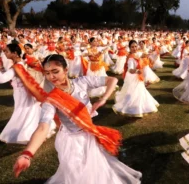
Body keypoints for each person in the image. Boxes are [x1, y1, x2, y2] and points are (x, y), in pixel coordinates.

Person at [13, 54, 141, 183]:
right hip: (70, 141)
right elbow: (43, 127)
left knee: (94, 168)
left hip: (88, 135)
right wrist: (27, 154)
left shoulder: (82, 82)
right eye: (47, 73)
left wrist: (103, 99)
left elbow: (112, 80)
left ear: (66, 70)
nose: (51, 77)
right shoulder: (51, 100)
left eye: (55, 71)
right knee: (77, 174)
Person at [0, 44, 54, 144]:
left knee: (25, 111)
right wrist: (1, 69)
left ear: (14, 53)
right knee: (29, 111)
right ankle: (36, 131)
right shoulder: (21, 63)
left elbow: (1, 79)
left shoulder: (18, 66)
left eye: (7, 51)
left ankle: (28, 134)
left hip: (22, 93)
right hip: (23, 92)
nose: (5, 53)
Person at [113, 40, 159, 117]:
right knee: (133, 91)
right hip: (133, 76)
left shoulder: (137, 54)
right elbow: (130, 69)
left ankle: (139, 106)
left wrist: (149, 54)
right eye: (132, 47)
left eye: (135, 46)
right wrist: (137, 70)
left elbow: (142, 55)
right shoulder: (130, 58)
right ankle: (132, 108)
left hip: (138, 76)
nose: (134, 48)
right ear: (129, 48)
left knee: (140, 91)